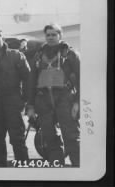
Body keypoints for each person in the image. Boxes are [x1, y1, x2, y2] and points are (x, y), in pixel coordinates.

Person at [26, 23, 80, 166]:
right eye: (48, 35)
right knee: (50, 139)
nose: (50, 37)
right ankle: (58, 171)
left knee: (71, 137)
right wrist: (30, 105)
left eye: (54, 34)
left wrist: (77, 102)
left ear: (60, 36)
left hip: (65, 99)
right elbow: (31, 83)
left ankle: (80, 172)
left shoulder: (70, 54)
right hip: (44, 101)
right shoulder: (38, 56)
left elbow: (82, 79)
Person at [0, 27, 30, 167]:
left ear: (2, 38)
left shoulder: (16, 55)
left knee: (17, 138)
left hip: (13, 100)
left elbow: (28, 78)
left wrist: (25, 100)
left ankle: (24, 172)